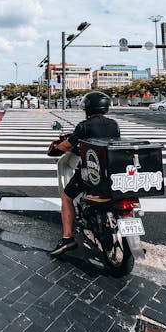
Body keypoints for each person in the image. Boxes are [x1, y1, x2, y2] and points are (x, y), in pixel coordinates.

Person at [50, 91, 121, 256]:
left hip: (91, 172)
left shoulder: (84, 126)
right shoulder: (114, 124)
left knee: (67, 197)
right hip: (110, 171)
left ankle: (67, 238)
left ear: (88, 107)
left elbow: (68, 145)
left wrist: (57, 147)